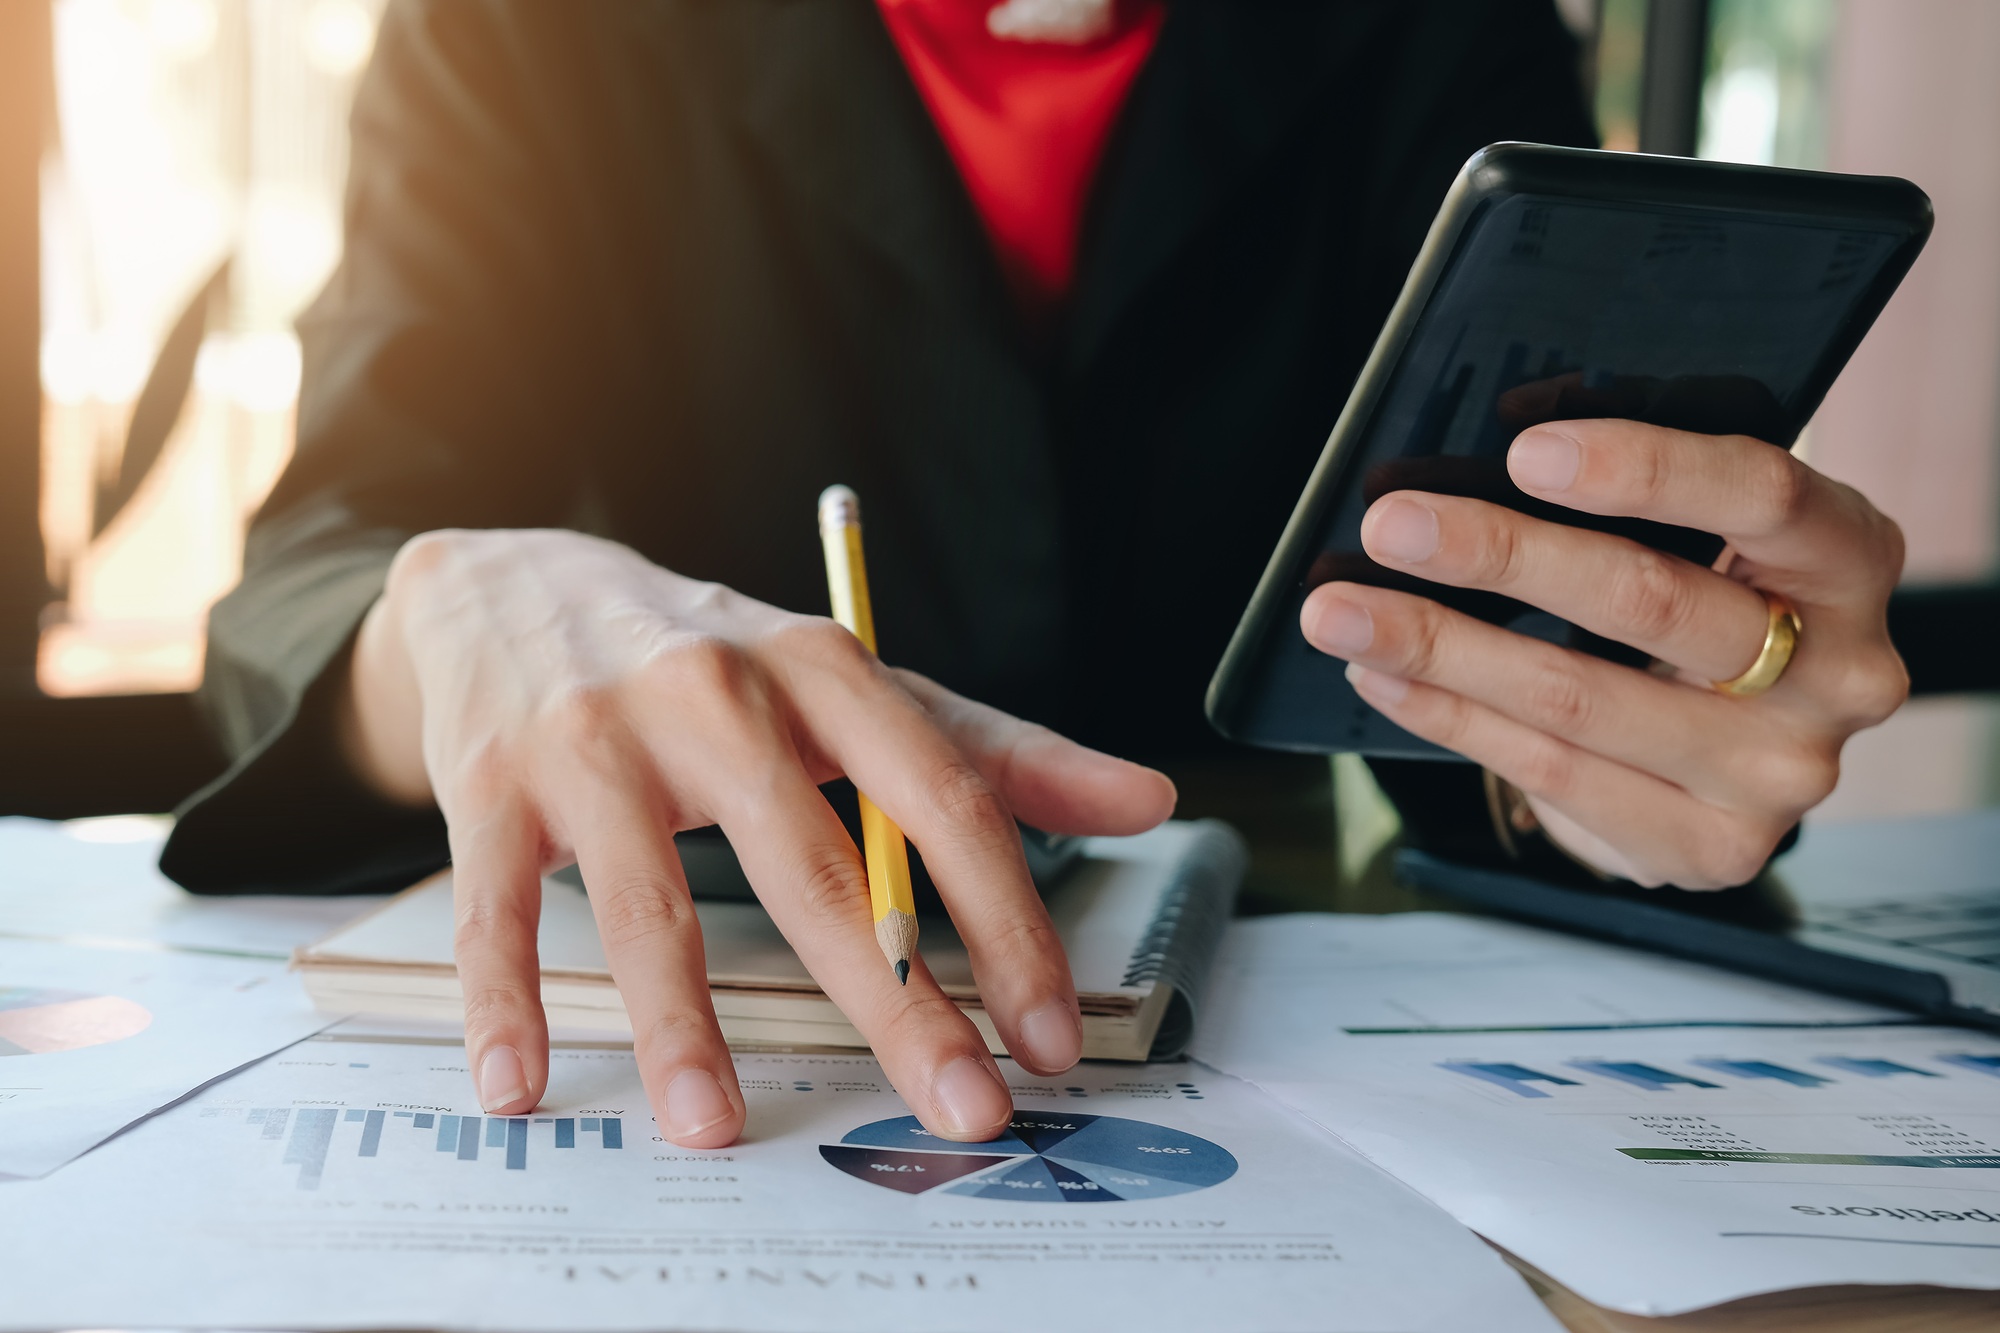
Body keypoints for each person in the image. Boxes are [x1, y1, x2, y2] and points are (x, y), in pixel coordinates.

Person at [161, 0, 1909, 1151]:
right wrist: (456, 611)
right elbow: (319, 569)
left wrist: (1616, 752)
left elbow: (1492, 631)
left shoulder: (1437, 29)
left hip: (1270, 1035)